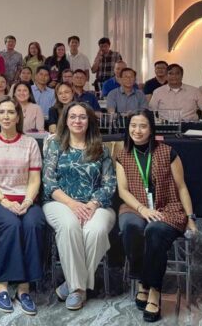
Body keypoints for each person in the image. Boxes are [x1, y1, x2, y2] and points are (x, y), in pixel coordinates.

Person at [115, 110, 197, 323]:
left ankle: (153, 291)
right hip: (135, 206)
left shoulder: (168, 152)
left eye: (143, 126)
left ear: (151, 129)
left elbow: (182, 187)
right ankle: (143, 280)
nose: (137, 130)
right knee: (131, 227)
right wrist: (142, 209)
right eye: (133, 125)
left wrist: (190, 217)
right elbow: (123, 190)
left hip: (167, 207)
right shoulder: (122, 153)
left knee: (154, 231)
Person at [42, 102, 117, 311]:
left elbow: (110, 184)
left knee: (97, 229)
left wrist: (92, 205)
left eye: (82, 117)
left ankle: (73, 285)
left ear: (89, 120)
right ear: (65, 120)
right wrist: (73, 204)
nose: (77, 121)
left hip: (97, 205)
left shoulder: (101, 148)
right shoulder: (55, 145)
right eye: (72, 116)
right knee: (69, 226)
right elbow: (49, 183)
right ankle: (79, 289)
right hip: (59, 202)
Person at [0, 99, 46, 315]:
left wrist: (27, 201)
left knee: (33, 224)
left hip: (26, 198)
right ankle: (1, 284)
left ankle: (23, 289)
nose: (6, 116)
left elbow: (35, 178)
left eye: (11, 112)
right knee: (11, 225)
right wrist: (5, 201)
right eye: (2, 112)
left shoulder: (29, 143)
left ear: (18, 117)